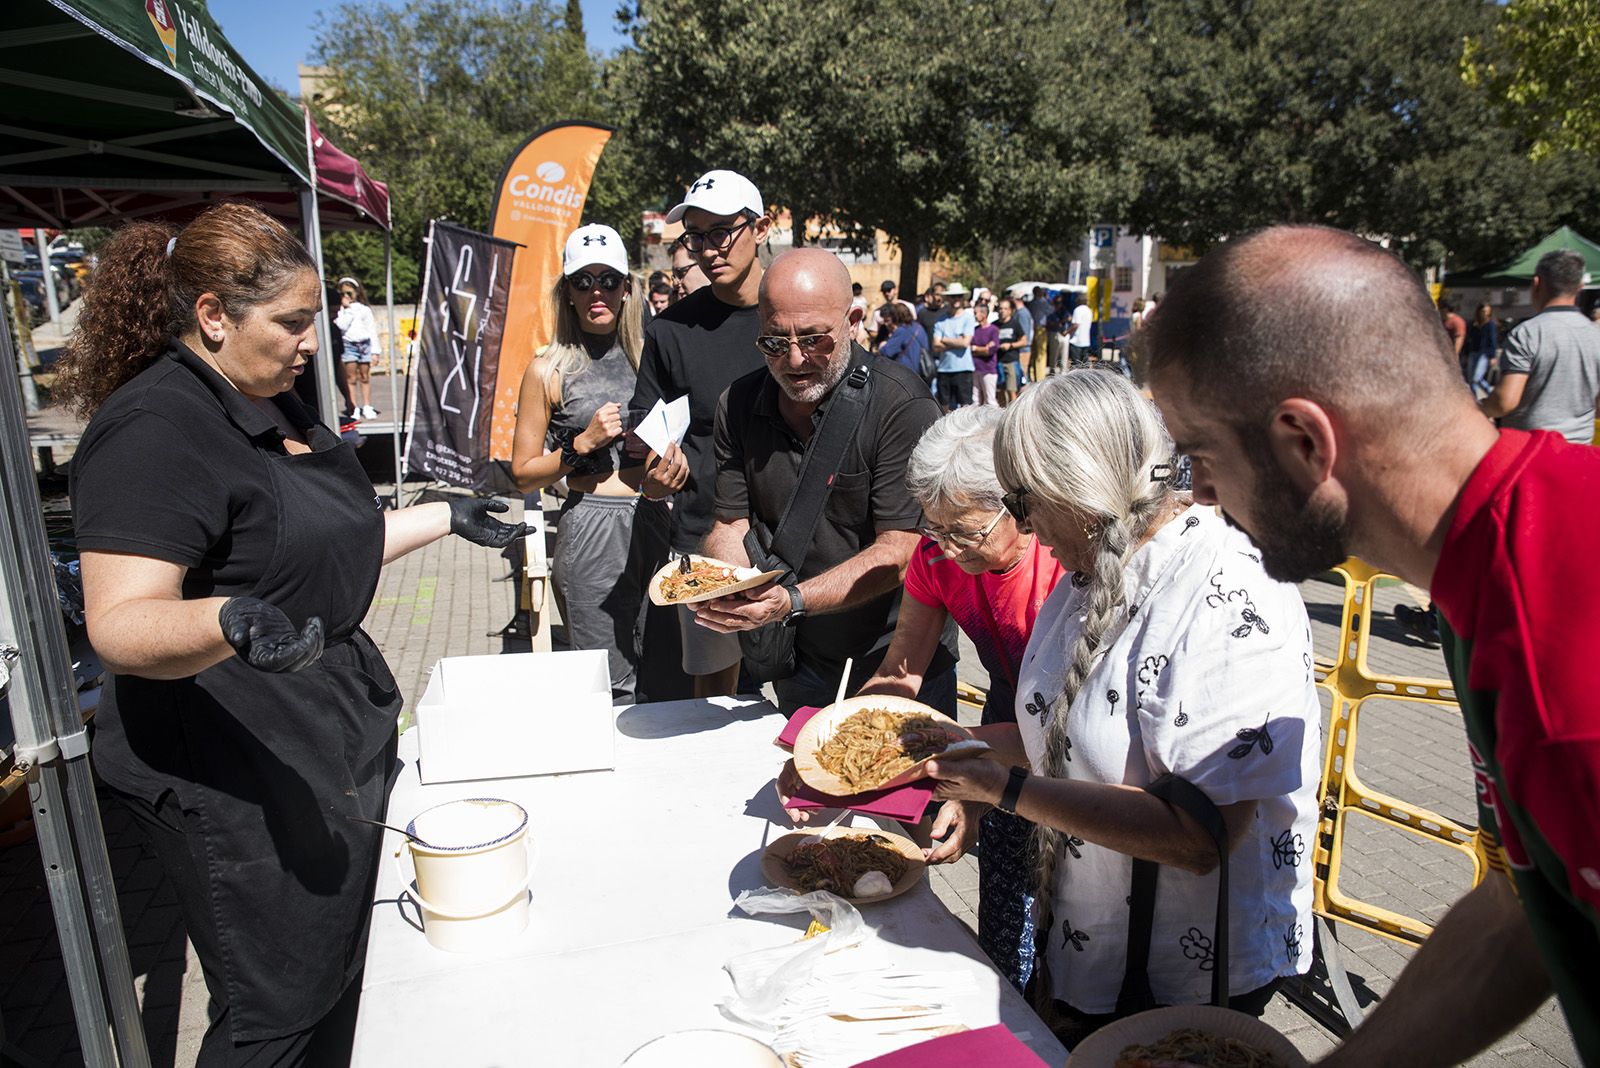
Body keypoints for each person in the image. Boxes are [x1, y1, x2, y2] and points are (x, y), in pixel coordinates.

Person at [56, 203, 527, 1066]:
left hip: (317, 735)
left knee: (344, 974)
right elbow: (118, 623)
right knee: (278, 1010)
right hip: (227, 769)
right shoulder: (153, 430)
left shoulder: (270, 399)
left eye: (313, 320)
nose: (315, 342)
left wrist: (444, 517)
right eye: (292, 322)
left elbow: (318, 544)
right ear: (212, 317)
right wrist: (226, 619)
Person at [1140, 224, 1600, 1066]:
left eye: (1200, 455)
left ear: (1305, 442)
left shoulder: (1562, 671)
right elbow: (1520, 906)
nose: (1199, 492)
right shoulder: (1502, 553)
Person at [925, 371, 1320, 1042]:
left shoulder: (1227, 586)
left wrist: (1008, 790)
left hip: (1184, 975)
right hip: (1092, 948)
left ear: (1079, 486)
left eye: (1023, 501)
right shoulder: (1090, 573)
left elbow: (1199, 838)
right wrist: (942, 744)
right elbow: (1060, 731)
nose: (1023, 526)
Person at [780, 405, 1064, 991]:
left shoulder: (1062, 569)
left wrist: (958, 766)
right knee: (1008, 925)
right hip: (1006, 715)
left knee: (1075, 933)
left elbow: (1068, 732)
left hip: (1073, 736)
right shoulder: (937, 560)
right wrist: (835, 747)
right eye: (937, 529)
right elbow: (899, 673)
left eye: (968, 531)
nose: (950, 549)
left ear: (1020, 505)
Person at [693, 248, 957, 714]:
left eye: (815, 339)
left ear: (853, 320)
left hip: (896, 662)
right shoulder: (737, 403)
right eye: (775, 342)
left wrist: (788, 600)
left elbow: (899, 550)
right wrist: (729, 586)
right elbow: (729, 526)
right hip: (801, 658)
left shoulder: (902, 405)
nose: (795, 360)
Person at [511, 224, 673, 704]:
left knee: (665, 675)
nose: (596, 292)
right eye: (583, 281)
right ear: (567, 292)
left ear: (627, 288)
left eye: (608, 280)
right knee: (611, 684)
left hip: (658, 518)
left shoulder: (652, 356)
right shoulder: (548, 369)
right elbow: (521, 472)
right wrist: (580, 444)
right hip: (593, 525)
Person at [629, 168, 771, 698]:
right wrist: (655, 478)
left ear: (760, 227)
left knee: (808, 700)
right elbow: (638, 452)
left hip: (807, 545)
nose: (709, 249)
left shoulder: (797, 314)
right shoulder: (671, 331)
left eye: (722, 232)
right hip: (709, 545)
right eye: (696, 236)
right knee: (714, 707)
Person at [1480, 249, 1600, 443]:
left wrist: (1479, 408)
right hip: (1578, 452)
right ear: (1580, 287)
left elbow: (1504, 402)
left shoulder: (1527, 333)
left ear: (1536, 284)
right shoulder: (1595, 334)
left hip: (1529, 452)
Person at [334, 276, 381, 420]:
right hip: (349, 345)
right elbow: (341, 326)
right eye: (343, 294)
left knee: (365, 376)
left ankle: (367, 405)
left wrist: (375, 351)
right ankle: (353, 406)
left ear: (356, 292)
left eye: (349, 293)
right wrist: (347, 309)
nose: (347, 296)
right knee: (351, 377)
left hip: (364, 344)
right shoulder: (341, 311)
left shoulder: (364, 310)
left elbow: (372, 329)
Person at [932, 285, 976, 411]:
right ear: (947, 298)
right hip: (944, 369)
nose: (956, 299)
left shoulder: (968, 318)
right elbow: (935, 345)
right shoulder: (940, 320)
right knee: (943, 408)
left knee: (966, 409)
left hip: (964, 369)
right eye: (952, 296)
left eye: (959, 296)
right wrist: (957, 341)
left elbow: (965, 343)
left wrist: (944, 340)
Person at [878, 300, 929, 379]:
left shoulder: (901, 331)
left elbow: (887, 352)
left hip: (907, 374)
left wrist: (882, 346)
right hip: (922, 372)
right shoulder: (918, 327)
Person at [994, 298, 1028, 405]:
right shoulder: (994, 325)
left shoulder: (1015, 324)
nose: (1002, 311)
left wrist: (1011, 345)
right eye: (1000, 308)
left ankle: (1012, 416)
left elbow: (1024, 341)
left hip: (1011, 361)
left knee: (1012, 391)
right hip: (997, 362)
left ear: (1010, 311)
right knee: (999, 391)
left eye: (1005, 308)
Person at [1461, 301, 1498, 399]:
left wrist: (1492, 356)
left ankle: (1490, 393)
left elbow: (1492, 340)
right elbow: (1468, 339)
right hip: (1473, 352)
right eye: (1483, 311)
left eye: (1486, 312)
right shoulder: (1474, 325)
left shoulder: (1490, 325)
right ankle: (1475, 400)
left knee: (1476, 378)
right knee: (1471, 379)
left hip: (1484, 354)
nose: (1484, 314)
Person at [970, 300, 1000, 406]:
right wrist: (981, 349)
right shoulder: (974, 330)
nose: (975, 316)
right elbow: (970, 349)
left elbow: (990, 351)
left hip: (988, 369)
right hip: (976, 368)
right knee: (975, 400)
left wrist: (975, 349)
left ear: (983, 313)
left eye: (976, 313)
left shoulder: (993, 330)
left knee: (990, 399)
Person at [1026, 285, 1052, 384]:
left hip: (1032, 328)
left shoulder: (1031, 303)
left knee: (1033, 352)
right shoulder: (1043, 302)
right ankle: (1040, 377)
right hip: (1041, 329)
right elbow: (1051, 310)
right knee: (1041, 354)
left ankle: (1032, 374)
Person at [915, 285, 948, 351]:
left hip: (945, 353)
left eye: (942, 295)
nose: (939, 298)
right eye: (937, 294)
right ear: (932, 295)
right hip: (929, 353)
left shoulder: (948, 312)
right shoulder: (923, 313)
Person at [1067, 291, 1094, 367]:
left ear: (1078, 301)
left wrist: (1066, 332)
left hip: (1076, 341)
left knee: (1076, 364)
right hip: (1086, 341)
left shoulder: (1077, 310)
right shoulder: (1089, 311)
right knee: (1084, 364)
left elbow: (1076, 325)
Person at [1439, 297, 1467, 363]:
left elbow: (1459, 339)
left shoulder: (1457, 321)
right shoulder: (1441, 320)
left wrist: (1455, 355)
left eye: (1439, 308)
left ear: (1445, 309)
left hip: (1451, 354)